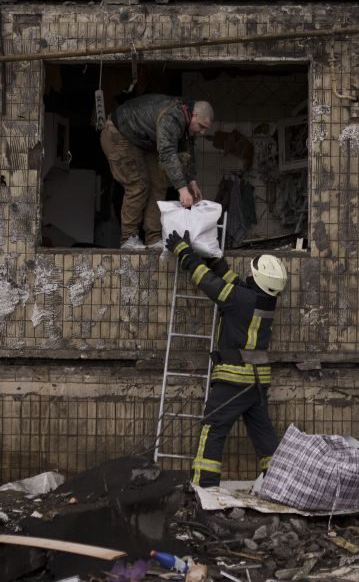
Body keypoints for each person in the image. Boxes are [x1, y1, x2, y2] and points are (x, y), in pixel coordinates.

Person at [164, 230, 289, 488]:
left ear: (259, 278)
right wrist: (216, 261)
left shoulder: (240, 299)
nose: (248, 276)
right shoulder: (264, 301)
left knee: (213, 428)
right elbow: (234, 284)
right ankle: (280, 483)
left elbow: (208, 283)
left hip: (233, 379)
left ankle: (204, 485)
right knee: (263, 434)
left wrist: (183, 252)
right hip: (257, 382)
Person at [100, 95, 214, 249]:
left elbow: (187, 151)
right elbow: (167, 152)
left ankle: (153, 237)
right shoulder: (172, 117)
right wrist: (182, 190)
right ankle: (129, 237)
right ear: (194, 115)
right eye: (201, 126)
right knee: (138, 184)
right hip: (118, 133)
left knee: (159, 182)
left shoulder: (186, 122)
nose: (202, 132)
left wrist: (191, 181)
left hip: (142, 142)